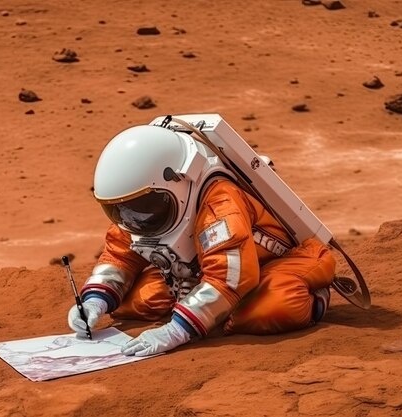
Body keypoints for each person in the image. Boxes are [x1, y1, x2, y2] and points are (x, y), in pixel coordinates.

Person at [67, 119, 336, 357]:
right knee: (138, 302)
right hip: (208, 268)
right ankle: (203, 307)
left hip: (271, 264)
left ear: (178, 182)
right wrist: (95, 300)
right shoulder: (143, 207)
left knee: (272, 307)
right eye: (121, 211)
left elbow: (229, 278)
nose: (135, 219)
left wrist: (177, 330)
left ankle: (316, 298)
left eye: (144, 207)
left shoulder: (219, 202)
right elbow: (119, 253)